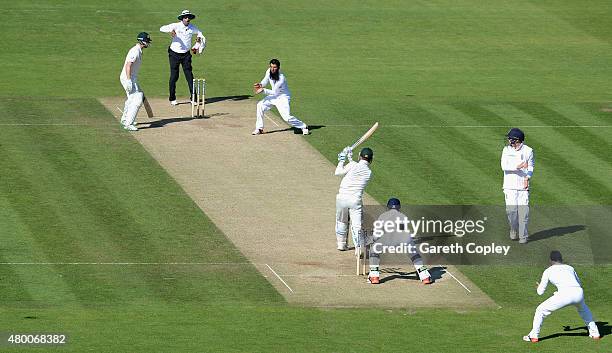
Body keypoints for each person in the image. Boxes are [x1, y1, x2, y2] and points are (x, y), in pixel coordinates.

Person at [523, 251, 601, 343]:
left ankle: (533, 336)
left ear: (550, 260)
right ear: (561, 259)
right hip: (578, 292)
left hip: (565, 295)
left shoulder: (548, 271)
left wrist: (538, 286)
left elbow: (540, 292)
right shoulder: (570, 268)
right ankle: (595, 334)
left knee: (540, 310)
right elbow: (579, 283)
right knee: (584, 310)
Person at [367, 198, 432, 285]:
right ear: (399, 207)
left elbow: (377, 234)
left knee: (374, 250)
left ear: (388, 207)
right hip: (404, 240)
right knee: (414, 255)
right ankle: (425, 277)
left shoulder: (383, 216)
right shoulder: (403, 216)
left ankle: (374, 277)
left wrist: (372, 240)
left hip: (388, 240)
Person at [160, 10, 206, 105]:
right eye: (185, 17)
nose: (187, 19)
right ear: (182, 18)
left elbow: (200, 34)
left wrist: (197, 45)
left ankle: (193, 98)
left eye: (188, 17)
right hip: (174, 54)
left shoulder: (192, 28)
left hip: (186, 55)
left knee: (190, 76)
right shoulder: (176, 25)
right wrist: (171, 31)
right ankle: (172, 98)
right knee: (174, 76)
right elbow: (162, 28)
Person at [252, 59, 309, 135]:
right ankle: (259, 128)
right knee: (260, 105)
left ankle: (303, 126)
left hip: (282, 98)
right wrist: (260, 84)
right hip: (273, 96)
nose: (272, 69)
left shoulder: (281, 78)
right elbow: (265, 80)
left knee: (287, 118)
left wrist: (263, 90)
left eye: (274, 67)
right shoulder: (269, 71)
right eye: (271, 67)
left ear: (278, 68)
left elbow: (275, 92)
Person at [334, 147, 373, 254]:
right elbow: (357, 169)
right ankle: (359, 249)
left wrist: (342, 160)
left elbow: (338, 172)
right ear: (371, 160)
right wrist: (350, 158)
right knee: (356, 225)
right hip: (355, 200)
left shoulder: (353, 165)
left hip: (342, 197)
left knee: (341, 221)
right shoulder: (369, 173)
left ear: (359, 156)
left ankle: (341, 244)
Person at [500, 128, 534, 244]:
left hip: (523, 187)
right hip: (509, 186)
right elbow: (504, 166)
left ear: (517, 140)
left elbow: (531, 167)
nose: (509, 140)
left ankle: (523, 235)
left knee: (524, 213)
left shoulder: (528, 151)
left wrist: (527, 178)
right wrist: (517, 166)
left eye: (511, 138)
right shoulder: (506, 150)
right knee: (511, 211)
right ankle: (513, 229)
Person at [119, 32, 152, 131]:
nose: (148, 43)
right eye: (146, 41)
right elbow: (128, 65)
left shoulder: (138, 50)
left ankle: (125, 119)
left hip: (131, 78)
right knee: (137, 99)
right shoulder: (135, 51)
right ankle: (128, 123)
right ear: (142, 41)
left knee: (131, 99)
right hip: (128, 77)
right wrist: (129, 80)